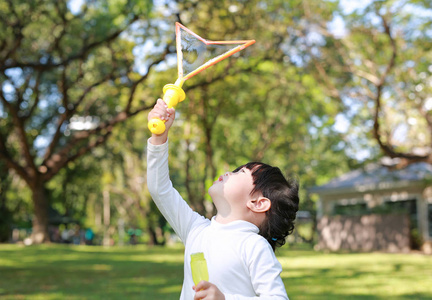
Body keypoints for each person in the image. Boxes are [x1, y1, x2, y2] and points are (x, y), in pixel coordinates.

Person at [147, 99, 299, 300]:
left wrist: (225, 299)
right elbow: (160, 189)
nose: (229, 172)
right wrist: (159, 136)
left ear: (258, 203)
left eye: (240, 172)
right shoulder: (196, 230)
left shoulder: (253, 245)